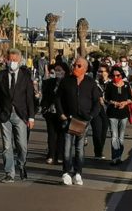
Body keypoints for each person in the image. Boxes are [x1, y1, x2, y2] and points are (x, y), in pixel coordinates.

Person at [0, 48, 35, 183]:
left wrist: (31, 117)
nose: (12, 62)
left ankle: (21, 164)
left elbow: (29, 98)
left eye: (15, 60)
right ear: (6, 60)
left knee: (22, 145)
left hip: (21, 116)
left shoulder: (25, 77)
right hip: (5, 115)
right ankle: (9, 172)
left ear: (20, 61)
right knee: (7, 146)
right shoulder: (0, 76)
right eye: (10, 60)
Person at [56, 57, 100, 186]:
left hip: (83, 120)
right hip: (68, 119)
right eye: (74, 65)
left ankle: (78, 173)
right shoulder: (66, 81)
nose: (75, 67)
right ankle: (66, 172)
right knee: (67, 147)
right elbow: (58, 99)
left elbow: (97, 102)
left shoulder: (90, 82)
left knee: (79, 149)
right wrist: (61, 114)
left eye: (79, 65)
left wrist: (90, 116)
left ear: (85, 69)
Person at [104, 65, 132, 165]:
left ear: (121, 75)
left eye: (118, 75)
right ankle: (114, 157)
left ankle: (119, 156)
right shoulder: (109, 85)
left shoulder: (126, 85)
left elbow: (131, 98)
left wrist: (125, 103)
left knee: (121, 137)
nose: (116, 77)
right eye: (114, 75)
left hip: (124, 114)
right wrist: (114, 103)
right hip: (112, 114)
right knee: (114, 136)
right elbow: (106, 99)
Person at [41, 63, 67, 164]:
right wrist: (44, 107)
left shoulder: (67, 83)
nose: (57, 73)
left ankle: (60, 154)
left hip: (63, 113)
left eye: (60, 70)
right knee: (51, 134)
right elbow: (45, 97)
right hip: (51, 112)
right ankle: (51, 154)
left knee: (61, 134)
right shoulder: (49, 82)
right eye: (56, 70)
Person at [90, 63, 110, 159]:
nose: (101, 73)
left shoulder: (110, 83)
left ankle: (100, 149)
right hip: (96, 110)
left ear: (107, 73)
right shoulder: (94, 83)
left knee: (103, 131)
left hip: (106, 110)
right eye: (99, 71)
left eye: (103, 71)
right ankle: (98, 152)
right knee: (96, 131)